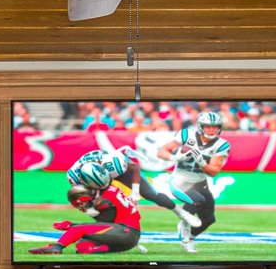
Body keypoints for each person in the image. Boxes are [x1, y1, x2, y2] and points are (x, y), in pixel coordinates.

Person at [155, 109, 232, 251]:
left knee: (209, 219)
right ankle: (183, 224)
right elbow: (161, 151)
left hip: (200, 183)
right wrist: (174, 158)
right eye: (208, 126)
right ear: (200, 126)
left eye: (214, 127)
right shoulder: (186, 135)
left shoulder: (221, 144)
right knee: (198, 199)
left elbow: (214, 171)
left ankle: (189, 238)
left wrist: (202, 162)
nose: (211, 130)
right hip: (180, 181)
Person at [29, 182, 142, 255]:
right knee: (82, 246)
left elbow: (101, 223)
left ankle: (56, 247)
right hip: (126, 237)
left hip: (125, 231)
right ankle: (103, 248)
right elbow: (104, 224)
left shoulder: (105, 199)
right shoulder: (109, 191)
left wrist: (72, 225)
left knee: (78, 229)